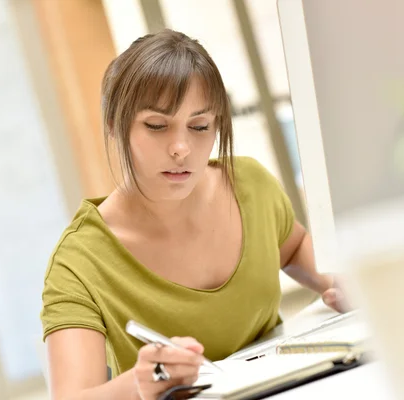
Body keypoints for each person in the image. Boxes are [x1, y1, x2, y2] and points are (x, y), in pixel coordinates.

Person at [40, 29, 346, 400]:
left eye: (200, 126)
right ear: (113, 126)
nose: (182, 148)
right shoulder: (79, 262)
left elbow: (292, 245)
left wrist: (341, 284)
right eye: (156, 126)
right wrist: (141, 382)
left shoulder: (250, 185)